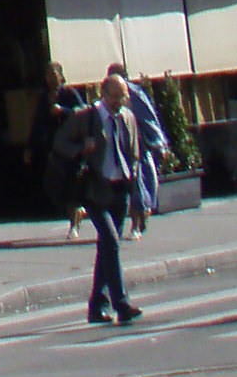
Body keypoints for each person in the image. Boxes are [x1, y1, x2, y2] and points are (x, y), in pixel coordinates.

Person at [82, 71, 143, 327]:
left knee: (107, 247)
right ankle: (121, 303)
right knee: (111, 241)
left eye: (122, 96)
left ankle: (98, 305)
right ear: (103, 94)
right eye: (113, 96)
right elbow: (64, 146)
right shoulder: (89, 118)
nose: (118, 101)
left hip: (120, 189)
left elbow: (135, 155)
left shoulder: (128, 118)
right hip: (95, 189)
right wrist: (82, 149)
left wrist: (137, 192)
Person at [104, 65, 166, 235]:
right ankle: (126, 224)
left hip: (136, 145)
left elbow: (148, 119)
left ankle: (138, 222)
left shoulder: (135, 94)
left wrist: (157, 143)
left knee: (138, 183)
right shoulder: (107, 95)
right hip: (116, 147)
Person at [29, 62, 87, 239]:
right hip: (54, 147)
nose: (51, 78)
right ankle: (77, 213)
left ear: (61, 76)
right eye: (47, 75)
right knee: (55, 185)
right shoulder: (44, 97)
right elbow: (38, 122)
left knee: (71, 185)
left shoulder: (69, 93)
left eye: (54, 74)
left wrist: (63, 111)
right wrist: (30, 146)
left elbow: (82, 112)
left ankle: (74, 225)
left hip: (71, 147)